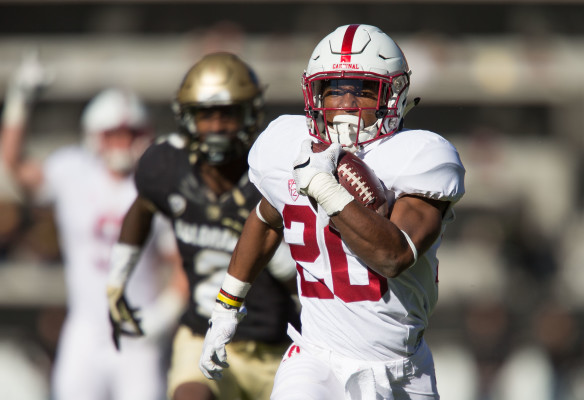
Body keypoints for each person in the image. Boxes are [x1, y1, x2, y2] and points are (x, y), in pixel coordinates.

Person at [199, 24, 466, 400]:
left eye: (362, 90)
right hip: (315, 358)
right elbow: (265, 219)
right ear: (313, 93)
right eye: (334, 90)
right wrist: (227, 306)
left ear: (394, 94)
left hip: (399, 370)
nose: (345, 104)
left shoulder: (419, 155)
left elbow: (394, 256)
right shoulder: (287, 143)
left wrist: (325, 188)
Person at [106, 52, 299, 400]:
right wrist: (117, 278)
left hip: (279, 346)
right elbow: (143, 205)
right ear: (186, 117)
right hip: (201, 333)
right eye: (205, 115)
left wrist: (274, 249)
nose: (216, 127)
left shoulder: (273, 173)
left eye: (228, 114)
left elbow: (307, 278)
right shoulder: (167, 166)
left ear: (250, 115)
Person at [0, 52, 186, 400]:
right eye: (114, 134)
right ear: (94, 135)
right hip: (84, 328)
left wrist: (160, 318)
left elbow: (182, 268)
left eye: (130, 133)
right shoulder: (73, 171)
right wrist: (18, 100)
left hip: (136, 332)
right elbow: (14, 165)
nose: (123, 143)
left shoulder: (158, 183)